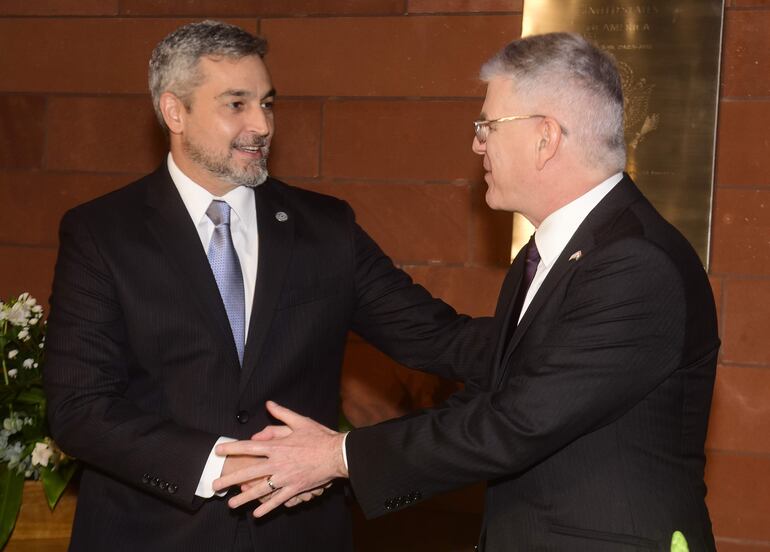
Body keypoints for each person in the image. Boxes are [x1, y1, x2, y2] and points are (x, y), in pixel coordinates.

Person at [215, 32, 720, 551]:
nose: (478, 143)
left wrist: (337, 455)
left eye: (488, 126)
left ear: (545, 137)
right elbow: (496, 390)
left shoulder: (633, 264)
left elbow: (516, 423)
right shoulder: (551, 254)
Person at [43, 20, 491, 552]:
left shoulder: (325, 228)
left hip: (297, 536)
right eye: (236, 104)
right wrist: (223, 465)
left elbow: (440, 339)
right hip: (150, 535)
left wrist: (568, 334)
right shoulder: (102, 233)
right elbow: (79, 408)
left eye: (268, 103)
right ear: (174, 111)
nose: (261, 124)